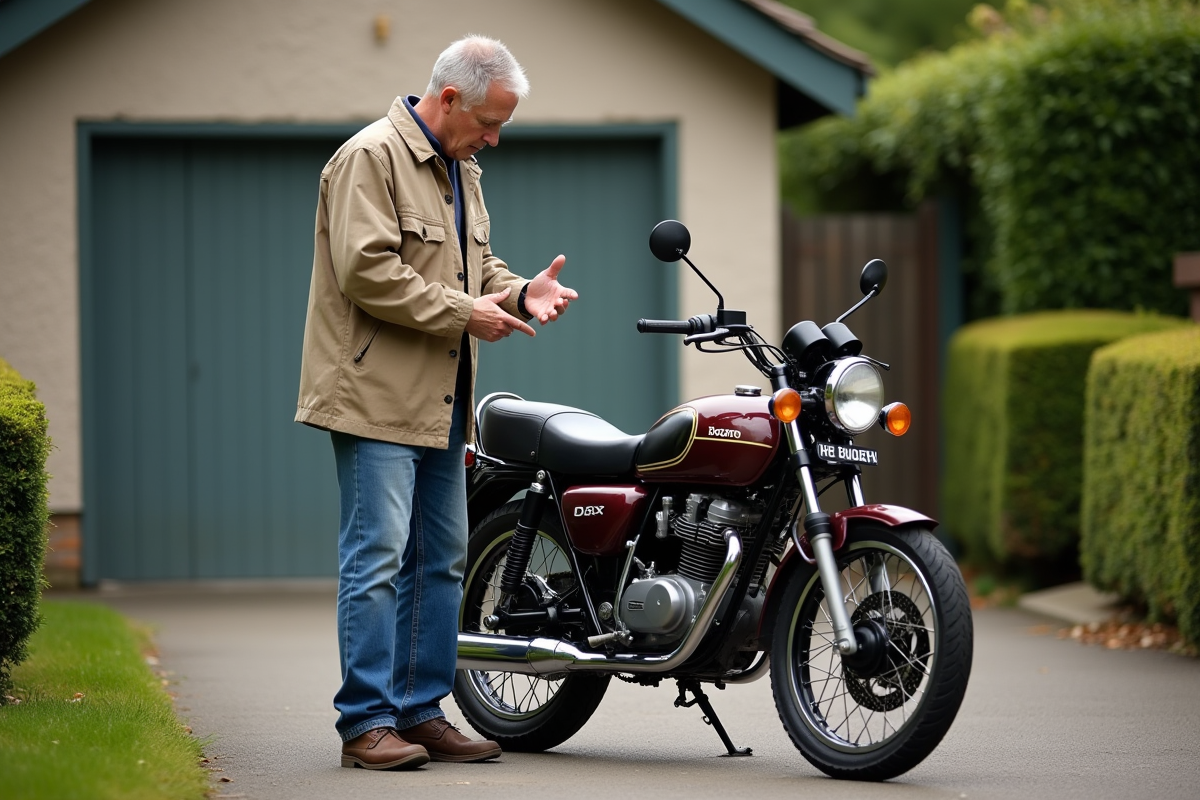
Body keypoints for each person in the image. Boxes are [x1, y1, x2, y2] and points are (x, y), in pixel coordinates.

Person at [295, 35, 577, 771]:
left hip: (442, 401)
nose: (494, 137)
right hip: (372, 397)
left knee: (442, 562)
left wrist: (519, 291)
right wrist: (465, 313)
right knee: (379, 558)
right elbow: (368, 273)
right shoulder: (369, 158)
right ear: (448, 98)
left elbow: (476, 264)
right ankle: (365, 724)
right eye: (490, 121)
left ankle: (420, 712)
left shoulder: (461, 170)